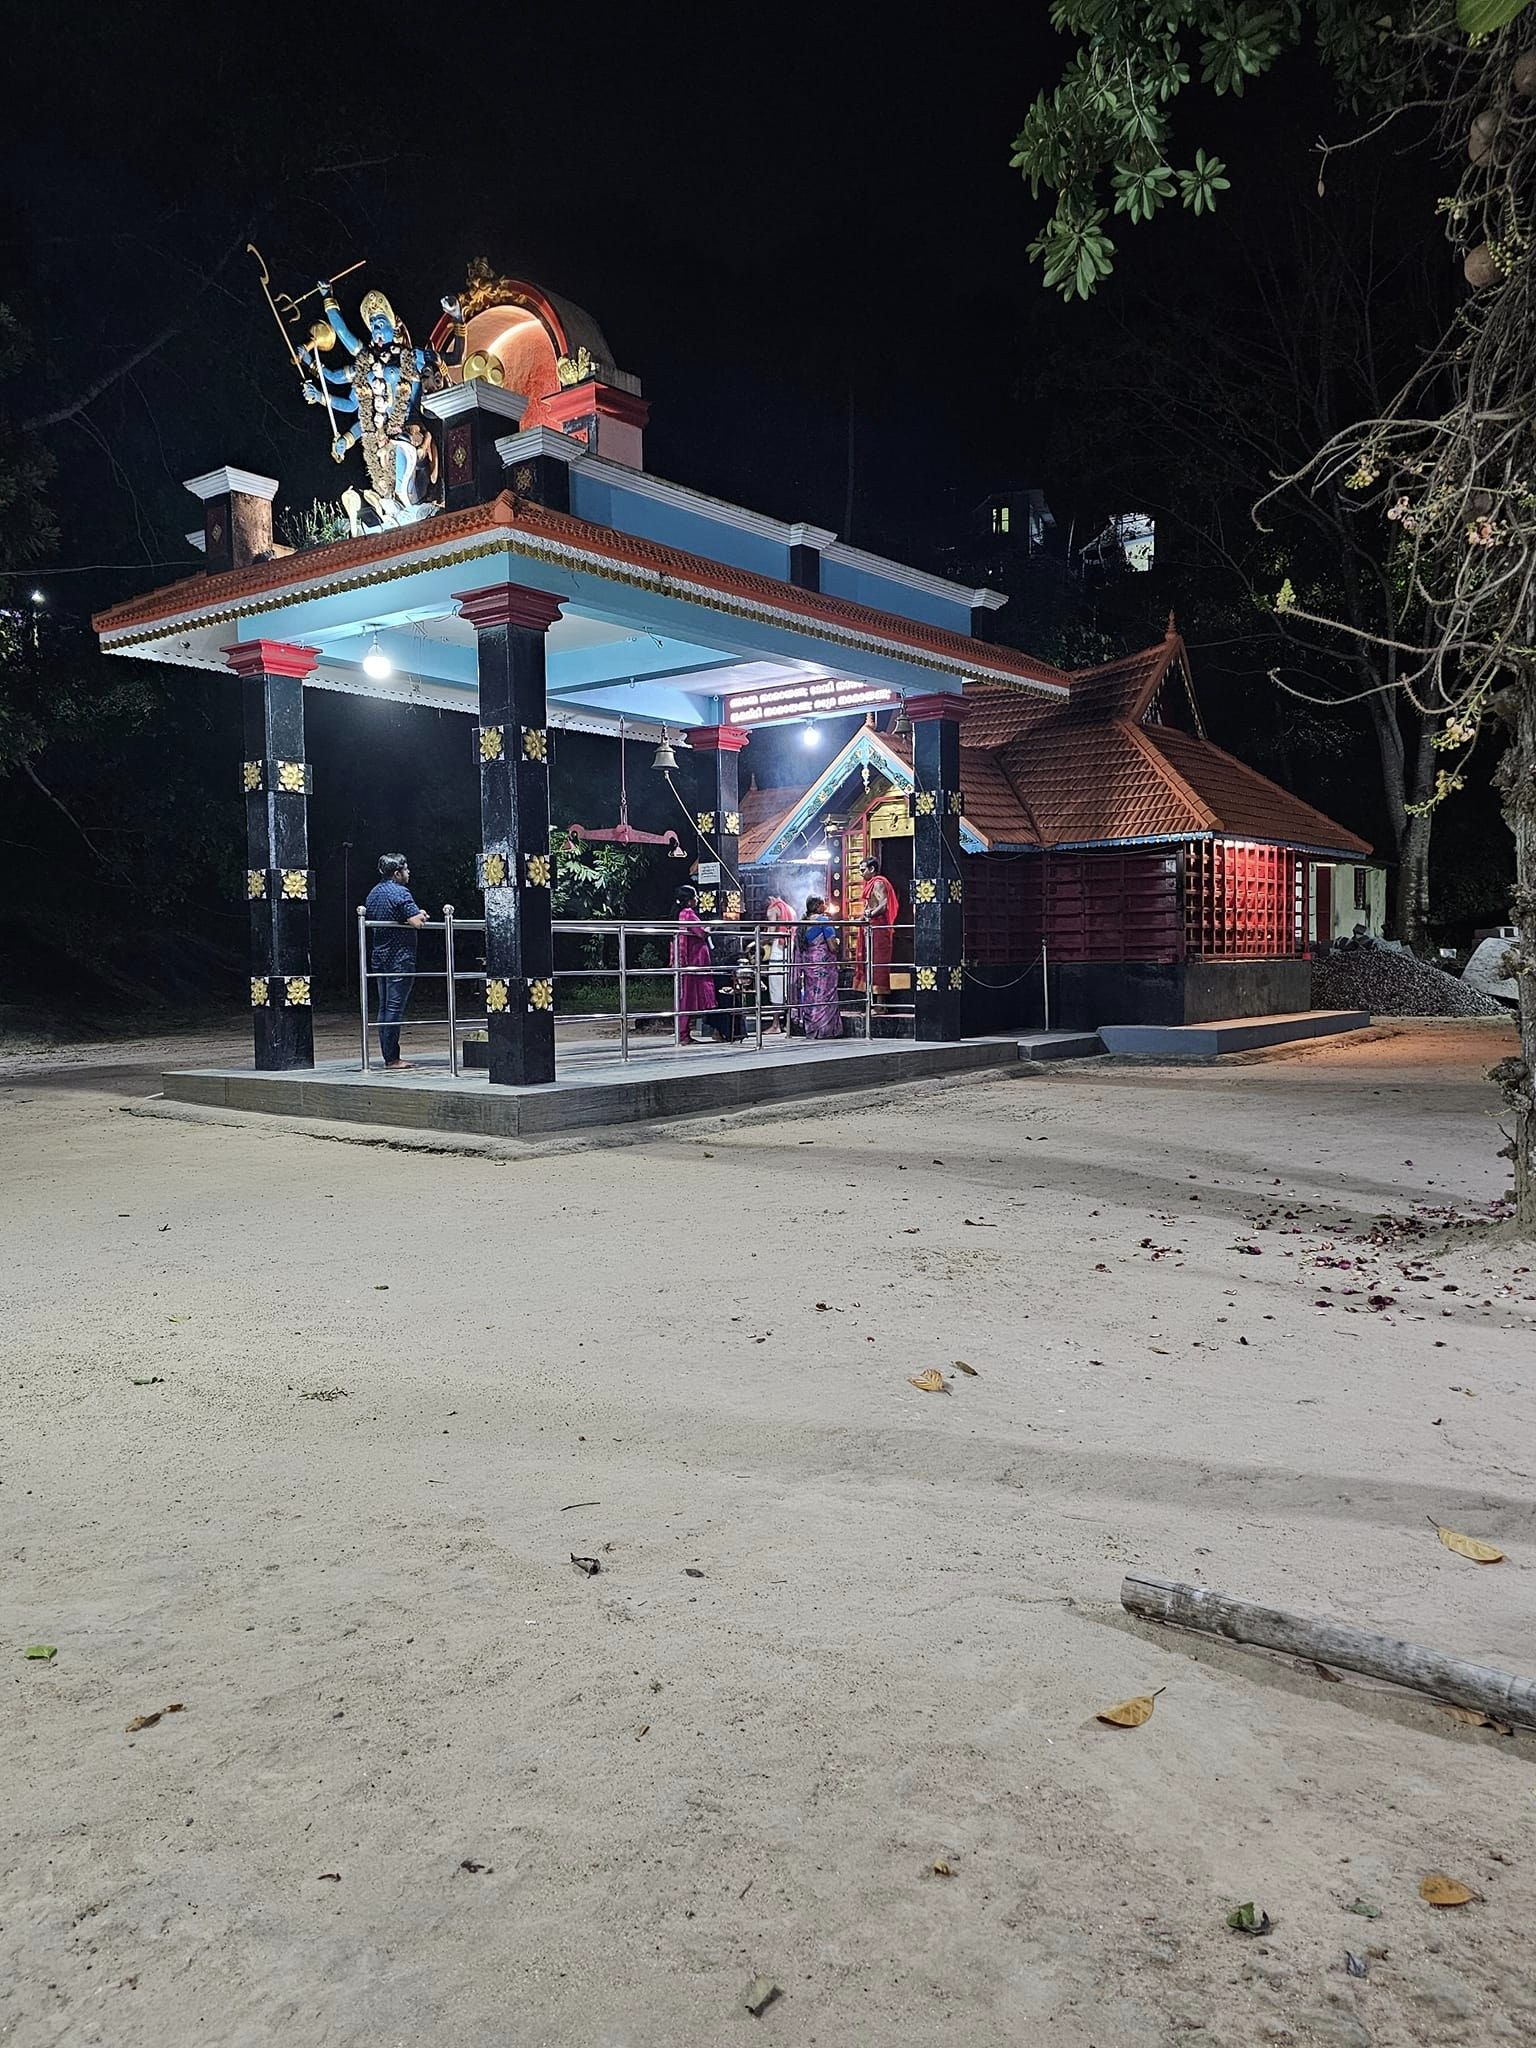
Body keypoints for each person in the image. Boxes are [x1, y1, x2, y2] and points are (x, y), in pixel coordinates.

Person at [364, 854, 429, 1068]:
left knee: (384, 1007)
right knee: (394, 1008)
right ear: (397, 873)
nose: (409, 872)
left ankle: (389, 1055)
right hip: (399, 957)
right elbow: (417, 922)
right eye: (406, 869)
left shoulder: (374, 893)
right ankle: (392, 1058)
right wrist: (422, 916)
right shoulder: (400, 891)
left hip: (379, 956)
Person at [671, 885, 718, 1045]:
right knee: (688, 997)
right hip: (694, 960)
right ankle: (684, 1034)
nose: (697, 899)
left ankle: (684, 1032)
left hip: (688, 959)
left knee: (685, 996)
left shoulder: (680, 914)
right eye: (695, 897)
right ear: (689, 900)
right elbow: (702, 932)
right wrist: (711, 926)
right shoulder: (689, 914)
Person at [796, 895, 842, 1039]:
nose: (826, 906)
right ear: (817, 906)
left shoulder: (802, 923)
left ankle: (812, 1027)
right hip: (823, 964)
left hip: (809, 965)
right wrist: (838, 944)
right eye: (824, 904)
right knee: (824, 995)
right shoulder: (823, 921)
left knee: (811, 994)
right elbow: (832, 946)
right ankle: (825, 1029)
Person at [857, 857, 899, 1000]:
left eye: (863, 870)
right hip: (872, 928)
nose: (860, 873)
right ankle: (872, 1002)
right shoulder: (870, 884)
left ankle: (881, 1005)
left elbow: (883, 905)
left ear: (872, 869)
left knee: (879, 964)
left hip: (879, 929)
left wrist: (869, 915)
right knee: (870, 962)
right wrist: (860, 920)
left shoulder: (879, 883)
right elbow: (871, 907)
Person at [764, 892, 797, 1031]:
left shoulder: (773, 908)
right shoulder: (791, 909)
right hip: (790, 949)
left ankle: (776, 1024)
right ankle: (788, 1023)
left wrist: (758, 940)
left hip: (778, 948)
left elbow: (771, 932)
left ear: (770, 898)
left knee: (776, 986)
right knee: (787, 986)